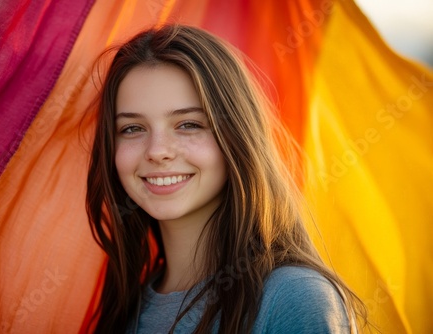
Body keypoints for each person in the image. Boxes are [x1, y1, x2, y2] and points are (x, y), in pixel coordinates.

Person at [86, 24, 367, 333]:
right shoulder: (126, 306)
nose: (157, 151)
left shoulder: (293, 298)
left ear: (237, 136)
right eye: (132, 128)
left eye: (189, 124)